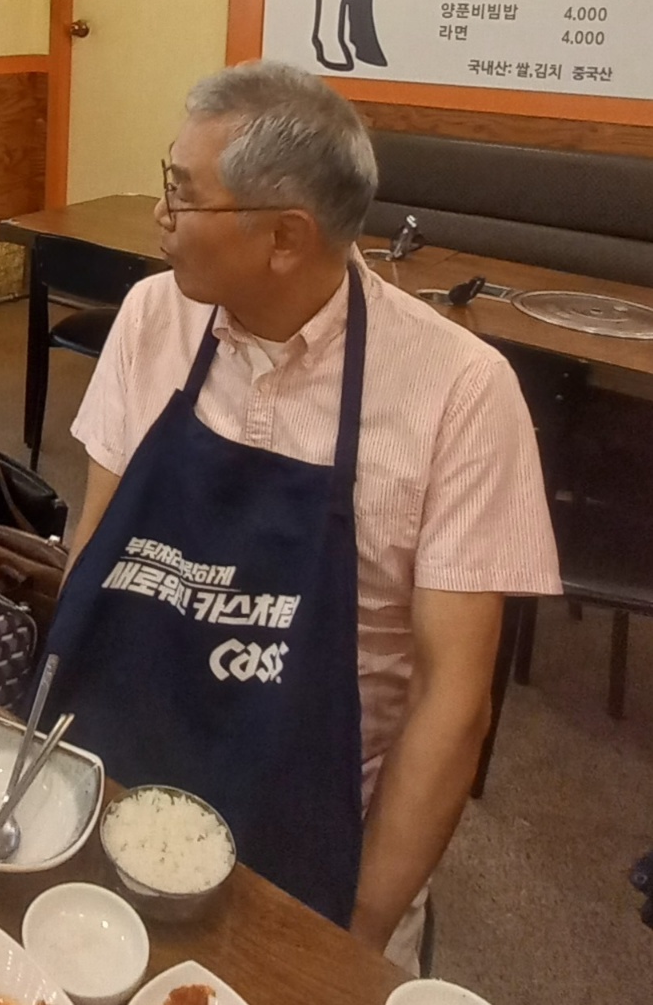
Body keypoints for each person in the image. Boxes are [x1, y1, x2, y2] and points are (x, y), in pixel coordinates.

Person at [44, 61, 560, 972]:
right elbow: (96, 550)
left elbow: (450, 702)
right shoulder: (153, 315)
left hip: (309, 819)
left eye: (182, 194)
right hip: (122, 767)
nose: (160, 215)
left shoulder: (460, 391)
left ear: (284, 237)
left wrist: (352, 931)